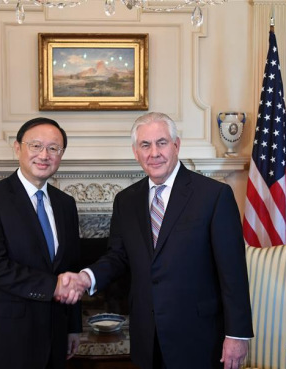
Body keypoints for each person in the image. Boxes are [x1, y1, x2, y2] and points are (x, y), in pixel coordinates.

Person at [63, 112, 253, 369]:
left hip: (199, 338)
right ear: (136, 152)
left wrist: (237, 334)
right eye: (145, 145)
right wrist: (87, 277)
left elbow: (233, 272)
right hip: (146, 337)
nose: (154, 152)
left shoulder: (214, 195)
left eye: (162, 142)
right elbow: (117, 256)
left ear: (176, 145)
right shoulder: (126, 200)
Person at [0, 117, 84, 369]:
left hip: (55, 335)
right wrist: (52, 286)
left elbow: (71, 268)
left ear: (61, 155)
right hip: (8, 338)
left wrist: (73, 326)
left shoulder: (66, 204)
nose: (44, 155)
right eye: (35, 146)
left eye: (53, 148)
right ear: (17, 147)